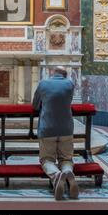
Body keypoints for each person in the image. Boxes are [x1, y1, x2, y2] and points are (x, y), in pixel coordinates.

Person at [32, 66, 79, 200]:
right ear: (65, 75)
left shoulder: (43, 83)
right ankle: (68, 171)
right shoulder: (70, 84)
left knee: (47, 159)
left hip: (47, 128)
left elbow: (35, 105)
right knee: (66, 158)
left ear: (51, 73)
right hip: (66, 128)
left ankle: (56, 175)